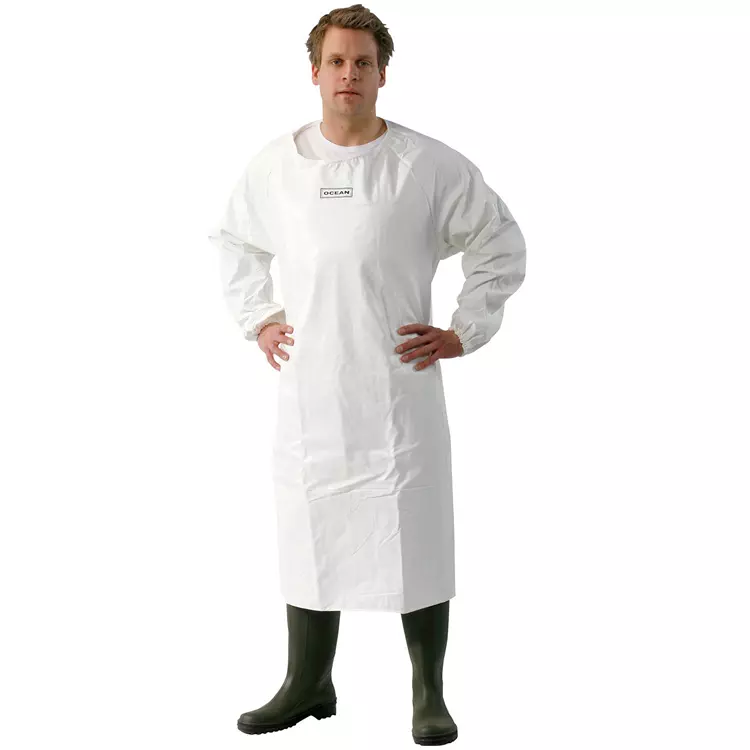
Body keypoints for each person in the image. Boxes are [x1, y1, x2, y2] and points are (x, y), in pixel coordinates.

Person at [207, 4, 526, 745]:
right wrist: (260, 316)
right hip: (311, 391)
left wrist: (465, 329)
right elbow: (233, 241)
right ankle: (308, 682)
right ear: (314, 72)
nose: (348, 74)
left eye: (363, 62)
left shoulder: (427, 167)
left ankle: (428, 691)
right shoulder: (277, 167)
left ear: (383, 74)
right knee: (309, 528)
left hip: (397, 390)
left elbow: (499, 239)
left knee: (416, 532)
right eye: (336, 61)